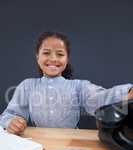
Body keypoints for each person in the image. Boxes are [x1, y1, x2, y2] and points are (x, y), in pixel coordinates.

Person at [0, 31, 133, 135]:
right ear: (37, 57)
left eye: (60, 54)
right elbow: (9, 114)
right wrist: (11, 122)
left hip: (72, 144)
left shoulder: (78, 86)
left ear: (67, 59)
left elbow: (99, 98)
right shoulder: (27, 86)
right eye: (46, 53)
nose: (53, 59)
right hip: (39, 143)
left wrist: (126, 93)